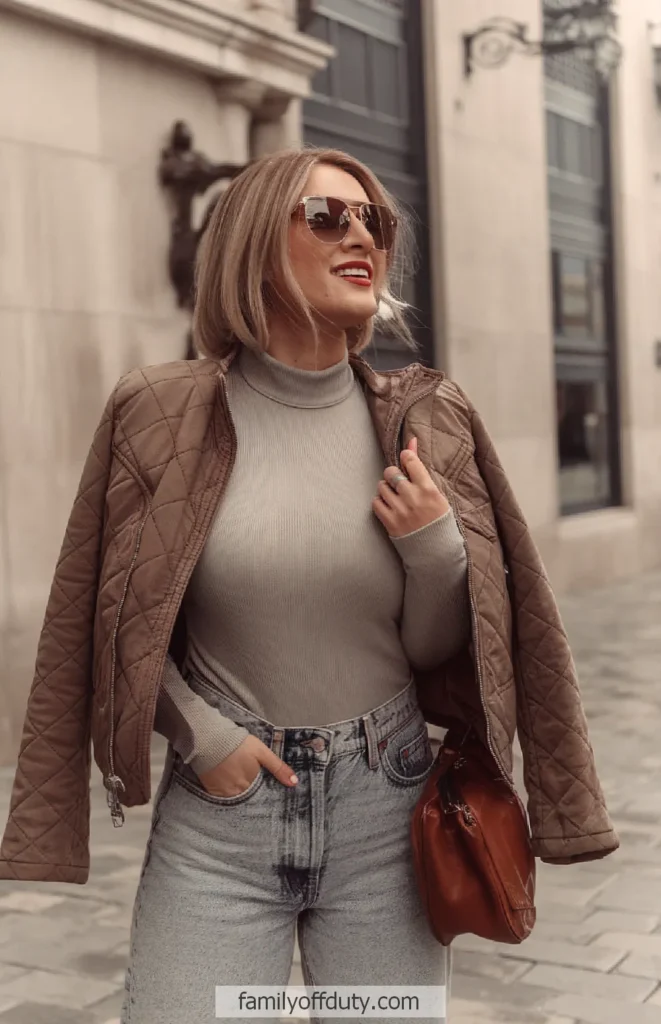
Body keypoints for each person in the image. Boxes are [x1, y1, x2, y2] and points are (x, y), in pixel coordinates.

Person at [0, 146, 618, 1024]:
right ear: (254, 242)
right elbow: (108, 617)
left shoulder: (428, 415)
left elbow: (441, 651)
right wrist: (199, 732)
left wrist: (433, 550)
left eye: (372, 219)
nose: (358, 232)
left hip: (389, 803)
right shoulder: (159, 411)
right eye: (326, 216)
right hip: (223, 817)